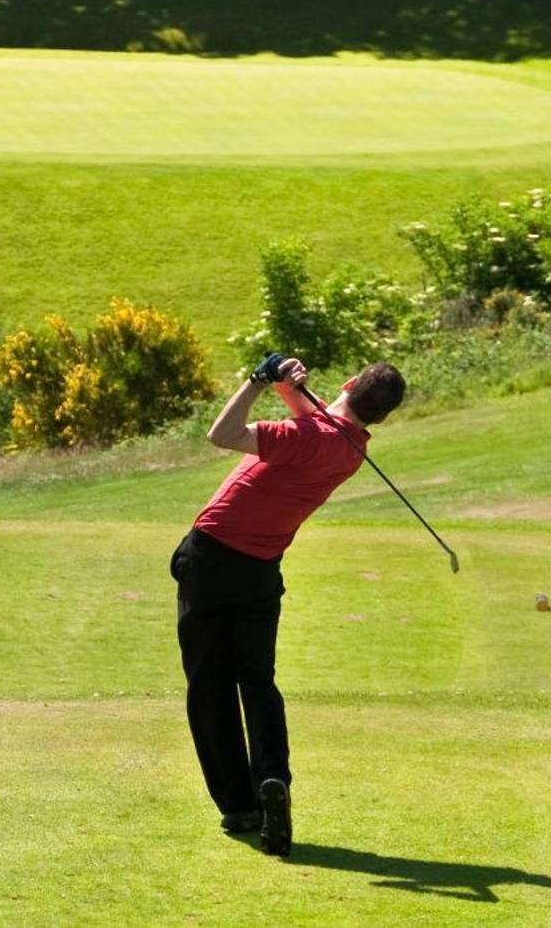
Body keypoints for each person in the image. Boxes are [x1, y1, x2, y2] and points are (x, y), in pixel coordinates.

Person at [171, 351, 407, 856]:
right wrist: (288, 383)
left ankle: (238, 805)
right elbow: (321, 418)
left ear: (349, 380)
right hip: (261, 571)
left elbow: (222, 434)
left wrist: (257, 381)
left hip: (211, 559)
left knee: (210, 685)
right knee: (256, 682)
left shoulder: (301, 437)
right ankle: (272, 778)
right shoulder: (351, 446)